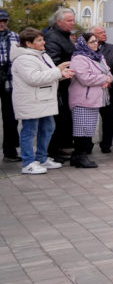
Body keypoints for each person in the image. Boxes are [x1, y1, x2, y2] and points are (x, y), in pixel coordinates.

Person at [11, 27, 74, 174]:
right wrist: (58, 71)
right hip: (31, 101)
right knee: (29, 131)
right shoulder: (23, 59)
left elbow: (48, 74)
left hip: (44, 99)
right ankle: (28, 163)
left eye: (42, 39)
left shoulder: (41, 55)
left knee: (47, 128)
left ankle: (41, 157)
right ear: (29, 43)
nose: (43, 42)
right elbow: (34, 78)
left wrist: (62, 73)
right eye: (39, 40)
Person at [68, 33, 113, 168]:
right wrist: (104, 78)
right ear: (84, 43)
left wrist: (108, 78)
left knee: (89, 129)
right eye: (92, 42)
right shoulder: (79, 58)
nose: (95, 44)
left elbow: (108, 72)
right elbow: (85, 78)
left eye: (96, 41)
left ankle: (78, 156)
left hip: (95, 98)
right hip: (83, 98)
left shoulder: (98, 57)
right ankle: (80, 155)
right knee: (81, 129)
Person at [43, 7, 76, 162]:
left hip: (66, 83)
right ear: (59, 21)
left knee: (63, 119)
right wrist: (65, 71)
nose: (72, 23)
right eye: (69, 20)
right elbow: (53, 61)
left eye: (73, 20)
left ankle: (60, 147)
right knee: (58, 119)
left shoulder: (65, 36)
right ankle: (52, 151)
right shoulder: (52, 37)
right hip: (58, 84)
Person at [93, 25, 113, 154]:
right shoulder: (84, 50)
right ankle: (87, 145)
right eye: (100, 33)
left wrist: (112, 81)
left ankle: (106, 145)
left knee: (108, 119)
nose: (104, 34)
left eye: (104, 32)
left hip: (109, 90)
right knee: (90, 119)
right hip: (92, 91)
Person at [0, 8, 22, 162]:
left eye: (4, 21)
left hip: (10, 80)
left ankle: (10, 151)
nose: (2, 24)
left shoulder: (14, 36)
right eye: (0, 21)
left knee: (11, 117)